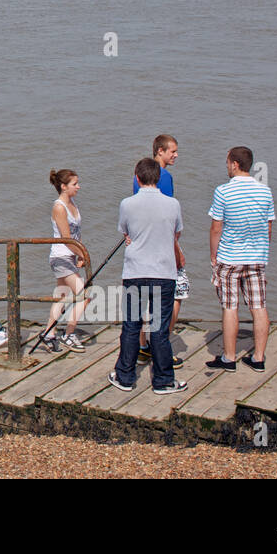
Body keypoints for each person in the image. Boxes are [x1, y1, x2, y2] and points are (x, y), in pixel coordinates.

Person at [110, 158, 186, 395]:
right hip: (164, 273)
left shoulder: (127, 204)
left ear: (137, 178)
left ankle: (125, 377)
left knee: (131, 326)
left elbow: (125, 231)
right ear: (158, 178)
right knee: (159, 329)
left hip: (135, 272)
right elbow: (177, 232)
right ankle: (163, 381)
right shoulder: (173, 204)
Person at [206, 147, 274, 372]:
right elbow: (268, 227)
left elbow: (216, 228)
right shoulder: (265, 191)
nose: (227, 166)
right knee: (259, 306)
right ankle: (259, 357)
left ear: (235, 164)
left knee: (229, 307)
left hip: (230, 257)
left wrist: (214, 256)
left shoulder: (223, 191)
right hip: (257, 258)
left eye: (227, 163)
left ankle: (229, 357)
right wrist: (262, 250)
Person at [133, 134, 187, 364]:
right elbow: (168, 219)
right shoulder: (164, 177)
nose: (176, 155)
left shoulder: (139, 176)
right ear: (160, 151)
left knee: (151, 297)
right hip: (163, 246)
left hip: (143, 244)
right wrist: (177, 252)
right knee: (176, 294)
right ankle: (160, 344)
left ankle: (143, 344)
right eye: (172, 151)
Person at [40, 169, 87, 353]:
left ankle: (48, 334)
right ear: (63, 186)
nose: (78, 187)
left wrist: (80, 252)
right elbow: (66, 238)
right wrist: (81, 254)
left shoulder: (73, 203)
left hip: (70, 255)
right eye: (75, 184)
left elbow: (77, 234)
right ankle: (69, 333)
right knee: (85, 295)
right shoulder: (59, 207)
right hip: (60, 256)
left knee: (61, 296)